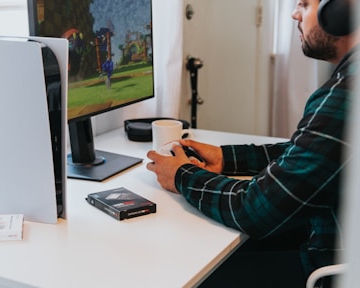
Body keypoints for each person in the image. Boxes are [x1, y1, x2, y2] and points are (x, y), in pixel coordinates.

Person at [147, 0, 360, 287]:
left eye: (304, 4)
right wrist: (226, 159)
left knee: (189, 274)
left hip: (330, 270)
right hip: (335, 244)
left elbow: (255, 210)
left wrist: (182, 175)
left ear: (340, 10)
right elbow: (311, 155)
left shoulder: (346, 93)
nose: (295, 14)